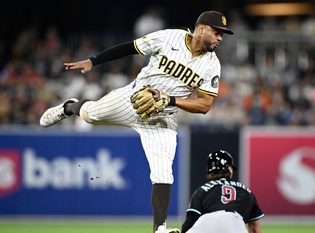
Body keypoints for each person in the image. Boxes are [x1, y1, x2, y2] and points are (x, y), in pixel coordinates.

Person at [39, 10, 233, 233]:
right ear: (201, 28)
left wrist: (169, 100)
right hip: (133, 99)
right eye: (217, 32)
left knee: (163, 172)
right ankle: (69, 107)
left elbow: (205, 105)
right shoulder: (170, 37)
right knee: (89, 114)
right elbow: (131, 47)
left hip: (163, 117)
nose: (220, 38)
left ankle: (159, 228)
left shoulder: (211, 65)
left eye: (222, 35)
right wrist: (94, 61)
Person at [181, 150, 264, 233]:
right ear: (228, 168)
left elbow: (190, 222)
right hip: (234, 222)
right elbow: (254, 226)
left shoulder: (202, 190)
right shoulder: (246, 191)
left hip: (206, 221)